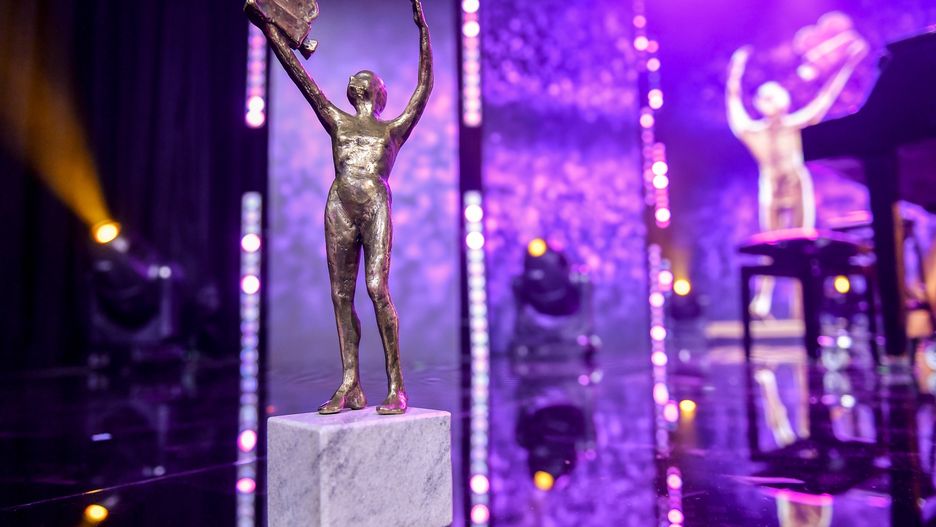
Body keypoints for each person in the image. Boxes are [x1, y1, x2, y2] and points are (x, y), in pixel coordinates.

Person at [246, 0, 433, 415]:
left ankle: (397, 386)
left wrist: (423, 31)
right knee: (340, 295)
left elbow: (424, 88)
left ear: (378, 93)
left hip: (374, 201)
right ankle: (350, 383)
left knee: (376, 289)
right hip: (340, 203)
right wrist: (268, 27)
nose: (355, 79)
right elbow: (300, 75)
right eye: (354, 78)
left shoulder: (393, 129)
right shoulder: (337, 120)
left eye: (365, 78)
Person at [726, 41, 867, 318]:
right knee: (771, 245)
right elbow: (734, 106)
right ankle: (762, 301)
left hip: (797, 185)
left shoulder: (796, 126)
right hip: (771, 189)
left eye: (774, 97)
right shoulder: (753, 132)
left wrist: (848, 64)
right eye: (765, 98)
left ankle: (803, 307)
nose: (770, 102)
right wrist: (735, 72)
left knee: (804, 246)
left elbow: (826, 98)